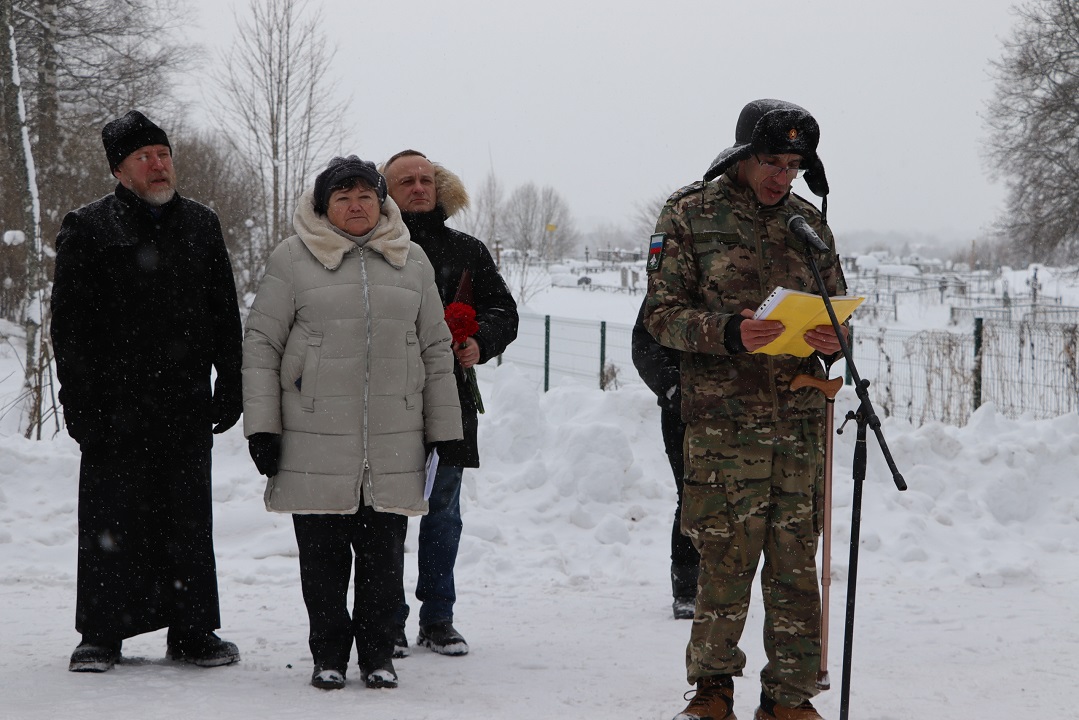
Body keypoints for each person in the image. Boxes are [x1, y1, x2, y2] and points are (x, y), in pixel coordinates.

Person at [644, 99, 847, 720]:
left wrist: (836, 338)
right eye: (771, 162)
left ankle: (789, 697)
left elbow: (837, 304)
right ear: (742, 155)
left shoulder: (806, 224)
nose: (781, 177)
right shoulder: (690, 214)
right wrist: (729, 332)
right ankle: (712, 691)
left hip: (800, 425)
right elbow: (660, 316)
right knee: (725, 562)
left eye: (793, 165)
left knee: (795, 567)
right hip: (724, 426)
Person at [242, 156, 463, 691]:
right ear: (324, 207)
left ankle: (378, 654)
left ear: (381, 202)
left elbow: (435, 349)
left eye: (365, 194)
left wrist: (446, 432)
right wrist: (262, 428)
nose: (356, 204)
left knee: (384, 558)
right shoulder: (292, 259)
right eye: (342, 196)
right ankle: (328, 653)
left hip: (393, 438)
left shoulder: (411, 261)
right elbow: (261, 345)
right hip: (313, 437)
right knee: (321, 559)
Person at [51, 110, 243, 673]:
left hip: (184, 403)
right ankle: (102, 634)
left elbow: (224, 315)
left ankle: (192, 630)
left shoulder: (202, 224)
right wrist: (79, 404)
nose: (159, 165)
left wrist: (230, 382)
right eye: (144, 157)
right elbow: (70, 327)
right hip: (116, 407)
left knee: (187, 517)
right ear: (119, 169)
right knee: (113, 519)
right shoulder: (88, 228)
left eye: (163, 154)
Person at [380, 150, 518, 658]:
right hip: (386, 402)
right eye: (405, 181)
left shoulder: (467, 250)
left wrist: (480, 340)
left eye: (426, 180)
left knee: (442, 513)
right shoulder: (374, 247)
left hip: (451, 403)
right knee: (386, 515)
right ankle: (386, 619)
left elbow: (504, 309)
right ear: (385, 191)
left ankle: (438, 618)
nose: (418, 188)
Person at [631, 297, 701, 620]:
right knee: (691, 496)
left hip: (736, 410)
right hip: (683, 411)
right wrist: (673, 386)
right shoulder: (673, 273)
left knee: (732, 502)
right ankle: (686, 587)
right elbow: (643, 342)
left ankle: (722, 585)